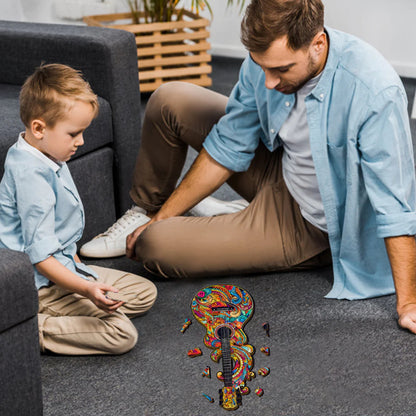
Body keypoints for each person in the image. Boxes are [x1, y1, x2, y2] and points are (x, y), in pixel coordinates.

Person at [80, 0, 416, 334]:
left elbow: (394, 204)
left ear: (318, 44)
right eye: (262, 66)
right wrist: (160, 217)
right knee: (169, 100)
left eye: (282, 70)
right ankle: (146, 211)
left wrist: (409, 304)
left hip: (312, 225)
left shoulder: (374, 91)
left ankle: (217, 220)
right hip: (280, 166)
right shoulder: (267, 61)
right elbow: (230, 142)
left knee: (154, 246)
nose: (269, 81)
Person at [0, 63, 157, 355]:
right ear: (38, 128)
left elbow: (59, 236)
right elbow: (42, 259)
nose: (81, 142)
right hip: (42, 284)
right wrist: (85, 289)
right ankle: (31, 327)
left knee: (145, 293)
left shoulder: (48, 153)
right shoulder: (30, 176)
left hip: (63, 267)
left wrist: (80, 273)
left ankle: (79, 313)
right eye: (74, 134)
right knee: (121, 334)